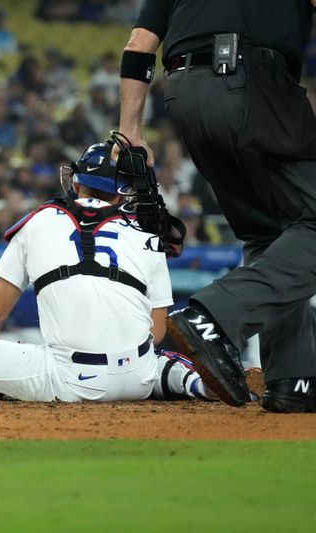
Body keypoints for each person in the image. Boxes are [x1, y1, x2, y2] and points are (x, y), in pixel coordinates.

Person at [114, 1, 316, 412]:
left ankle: (293, 381)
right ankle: (215, 316)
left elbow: (139, 43)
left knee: (270, 230)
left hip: (185, 96)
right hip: (254, 83)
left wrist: (130, 130)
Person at [0, 141, 230, 403]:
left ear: (76, 183)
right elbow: (156, 330)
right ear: (122, 194)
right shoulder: (148, 232)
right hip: (138, 379)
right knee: (155, 357)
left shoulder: (39, 220)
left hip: (68, 380)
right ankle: (187, 380)